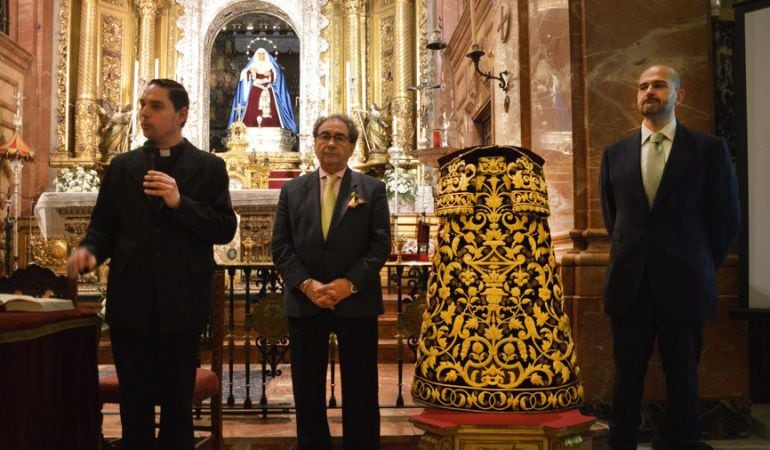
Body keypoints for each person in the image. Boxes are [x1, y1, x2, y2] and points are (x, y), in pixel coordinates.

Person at [67, 79, 237, 450]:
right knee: (135, 402)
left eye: (155, 106)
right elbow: (104, 227)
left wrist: (180, 203)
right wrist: (90, 251)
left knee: (177, 405)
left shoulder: (208, 168)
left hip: (182, 301)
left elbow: (224, 228)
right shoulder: (122, 167)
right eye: (143, 104)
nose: (144, 113)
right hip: (132, 299)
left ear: (181, 115)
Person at [599, 65, 740, 450]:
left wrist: (700, 265)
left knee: (683, 375)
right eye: (643, 86)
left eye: (659, 85)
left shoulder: (709, 150)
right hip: (630, 286)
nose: (649, 91)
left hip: (686, 283)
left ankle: (682, 442)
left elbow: (726, 218)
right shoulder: (615, 154)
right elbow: (616, 220)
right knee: (627, 374)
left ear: (680, 96)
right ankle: (621, 441)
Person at [271, 114, 391, 449]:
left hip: (356, 302)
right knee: (307, 389)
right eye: (325, 136)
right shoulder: (292, 190)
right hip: (305, 302)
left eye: (340, 137)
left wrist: (348, 284)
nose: (331, 143)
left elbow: (380, 245)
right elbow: (280, 246)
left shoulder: (371, 189)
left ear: (352, 146)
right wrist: (307, 285)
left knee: (361, 388)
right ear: (315, 142)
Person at [228, 48, 298, 133]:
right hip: (256, 90)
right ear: (256, 56)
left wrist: (271, 74)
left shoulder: (270, 66)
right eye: (259, 54)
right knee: (253, 111)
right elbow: (245, 75)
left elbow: (277, 76)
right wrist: (249, 72)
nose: (261, 56)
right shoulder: (252, 66)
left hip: (268, 90)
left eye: (263, 54)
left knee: (271, 112)